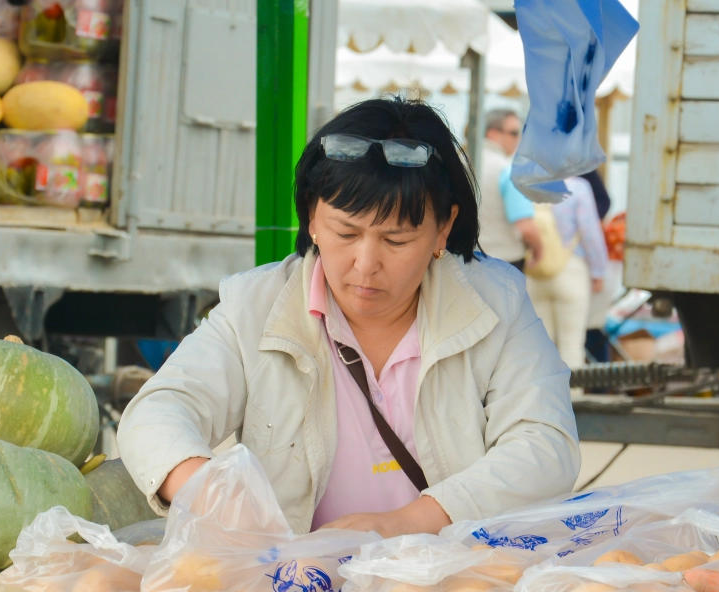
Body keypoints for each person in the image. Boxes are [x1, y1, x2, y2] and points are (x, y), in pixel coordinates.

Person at [117, 97, 580, 538]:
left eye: (396, 241)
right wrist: (216, 497)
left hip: (446, 590)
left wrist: (409, 522)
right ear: (313, 219)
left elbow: (545, 446)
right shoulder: (254, 307)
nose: (365, 263)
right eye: (345, 232)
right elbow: (158, 413)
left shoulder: (495, 303)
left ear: (444, 228)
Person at [524, 175, 610, 370]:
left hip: (536, 272)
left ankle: (542, 399)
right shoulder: (577, 188)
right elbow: (590, 234)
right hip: (571, 271)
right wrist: (598, 271)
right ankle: (573, 399)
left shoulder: (528, 185)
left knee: (542, 348)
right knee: (571, 346)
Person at [477, 108, 543, 271]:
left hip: (460, 260)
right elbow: (526, 227)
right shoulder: (508, 170)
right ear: (492, 133)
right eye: (514, 133)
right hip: (503, 261)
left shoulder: (461, 163)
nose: (519, 139)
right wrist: (538, 249)